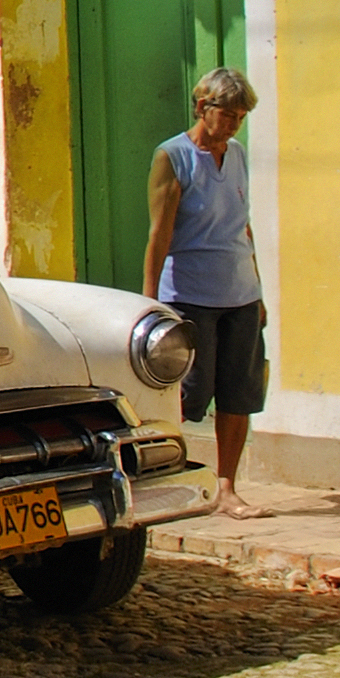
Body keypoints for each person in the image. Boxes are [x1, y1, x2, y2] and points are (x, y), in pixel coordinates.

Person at [141, 66, 270, 520]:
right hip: (190, 295)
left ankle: (227, 488)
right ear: (202, 107)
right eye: (227, 114)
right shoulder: (173, 157)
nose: (233, 125)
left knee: (239, 394)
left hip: (240, 293)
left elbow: (243, 226)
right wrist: (150, 303)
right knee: (187, 394)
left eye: (241, 117)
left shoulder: (237, 155)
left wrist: (258, 290)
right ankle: (166, 478)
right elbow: (160, 234)